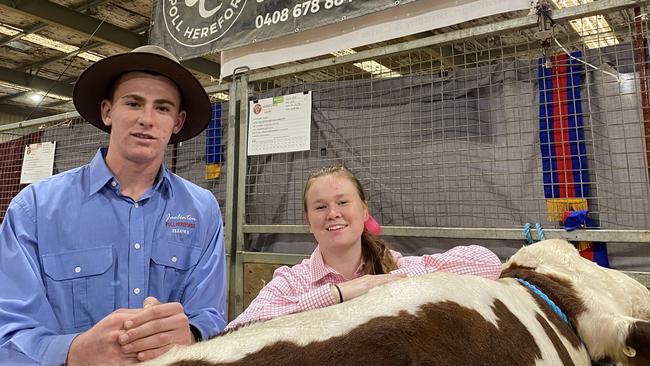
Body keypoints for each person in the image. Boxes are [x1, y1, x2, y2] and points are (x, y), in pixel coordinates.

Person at [0, 45, 227, 365]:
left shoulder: (201, 211)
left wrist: (190, 334)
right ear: (108, 111)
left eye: (162, 108)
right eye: (133, 103)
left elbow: (211, 315)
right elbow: (7, 330)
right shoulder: (35, 209)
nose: (146, 119)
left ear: (178, 121)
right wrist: (73, 351)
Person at [226, 166, 502, 330]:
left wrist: (390, 282)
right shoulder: (292, 281)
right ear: (308, 221)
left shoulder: (397, 266)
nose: (333, 213)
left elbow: (487, 263)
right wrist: (339, 293)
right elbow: (239, 329)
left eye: (343, 202)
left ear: (364, 210)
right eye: (320, 207)